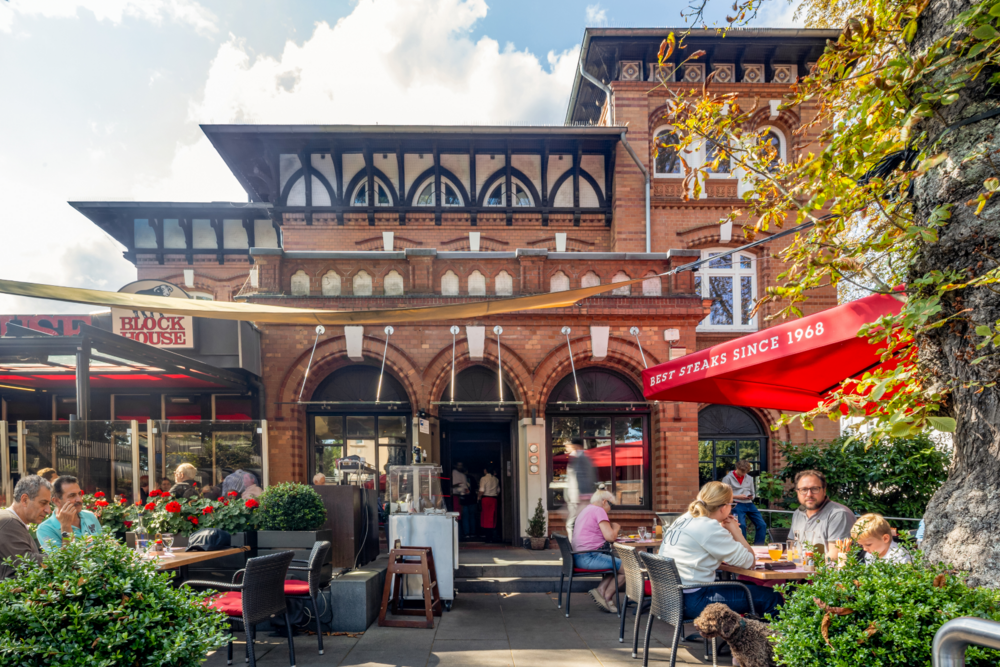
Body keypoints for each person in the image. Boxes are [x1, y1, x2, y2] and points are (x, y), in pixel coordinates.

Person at [658, 481, 782, 618]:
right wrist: (736, 531)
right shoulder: (708, 527)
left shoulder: (684, 519)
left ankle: (743, 635)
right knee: (771, 597)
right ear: (723, 507)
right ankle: (769, 639)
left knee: (749, 585)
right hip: (693, 600)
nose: (732, 508)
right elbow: (750, 562)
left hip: (670, 598)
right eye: (732, 504)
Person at [0, 475, 77, 580]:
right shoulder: (8, 521)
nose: (48, 510)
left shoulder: (11, 521)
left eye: (49, 504)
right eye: (43, 503)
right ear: (25, 500)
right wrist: (66, 528)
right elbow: (29, 562)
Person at [572, 488, 625, 613]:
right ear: (604, 501)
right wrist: (616, 528)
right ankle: (607, 597)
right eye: (611, 505)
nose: (610, 509)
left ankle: (601, 591)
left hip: (578, 556)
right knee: (627, 569)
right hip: (589, 557)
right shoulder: (599, 510)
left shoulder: (586, 510)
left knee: (615, 564)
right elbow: (611, 537)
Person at [789, 470, 856, 560]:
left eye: (815, 489)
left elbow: (836, 556)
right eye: (804, 489)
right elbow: (792, 548)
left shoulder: (838, 514)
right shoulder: (798, 513)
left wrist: (805, 565)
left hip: (825, 572)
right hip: (799, 568)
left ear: (824, 491)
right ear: (797, 492)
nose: (809, 494)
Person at [37, 475, 103, 551]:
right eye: (72, 496)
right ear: (57, 501)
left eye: (79, 494)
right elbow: (63, 561)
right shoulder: (45, 529)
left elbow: (104, 545)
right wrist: (65, 526)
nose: (79, 499)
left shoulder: (89, 516)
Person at [722, 461, 767, 545]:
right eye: (742, 472)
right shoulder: (727, 478)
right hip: (736, 504)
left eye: (745, 472)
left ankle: (758, 546)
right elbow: (724, 495)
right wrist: (737, 497)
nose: (743, 474)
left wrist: (751, 496)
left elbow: (753, 493)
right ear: (737, 468)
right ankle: (743, 547)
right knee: (741, 525)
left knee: (762, 524)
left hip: (749, 503)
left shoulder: (749, 478)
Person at [564, 438, 596, 542]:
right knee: (576, 523)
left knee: (572, 524)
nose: (566, 447)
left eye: (568, 445)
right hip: (577, 498)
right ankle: (577, 549)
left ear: (576, 446)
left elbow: (586, 477)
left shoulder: (582, 458)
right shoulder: (577, 457)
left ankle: (574, 550)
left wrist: (582, 495)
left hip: (580, 497)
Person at [451, 462, 474, 540]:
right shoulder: (456, 474)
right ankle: (463, 534)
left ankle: (462, 534)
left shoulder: (462, 475)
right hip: (457, 497)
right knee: (461, 516)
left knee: (460, 516)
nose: (460, 467)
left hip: (460, 497)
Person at [478, 467, 500, 543]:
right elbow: (498, 492)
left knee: (486, 518)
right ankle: (492, 536)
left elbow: (481, 491)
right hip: (494, 499)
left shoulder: (483, 479)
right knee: (492, 517)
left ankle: (487, 537)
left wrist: (478, 498)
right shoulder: (496, 479)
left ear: (485, 470)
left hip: (486, 499)